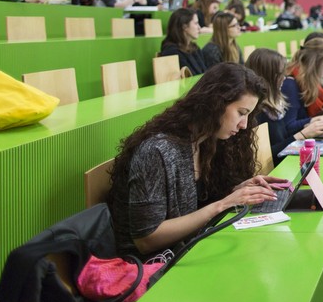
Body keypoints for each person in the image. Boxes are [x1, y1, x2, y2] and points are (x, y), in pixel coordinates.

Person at [108, 63, 289, 258]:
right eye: (241, 113)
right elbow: (146, 239)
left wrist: (237, 192)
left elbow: (196, 207)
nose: (244, 125)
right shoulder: (157, 151)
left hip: (187, 250)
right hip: (154, 268)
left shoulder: (208, 142)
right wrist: (222, 205)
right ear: (215, 104)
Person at [246, 48, 323, 168]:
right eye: (280, 74)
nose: (284, 78)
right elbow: (264, 157)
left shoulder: (273, 105)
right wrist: (302, 134)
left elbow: (283, 136)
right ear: (268, 76)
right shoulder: (256, 112)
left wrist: (310, 125)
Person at [280, 39, 323, 133]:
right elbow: (289, 127)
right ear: (314, 63)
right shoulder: (290, 84)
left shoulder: (306, 80)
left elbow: (303, 117)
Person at [159, 8, 207, 75]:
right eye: (196, 23)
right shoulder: (171, 52)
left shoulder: (194, 48)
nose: (199, 27)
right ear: (184, 27)